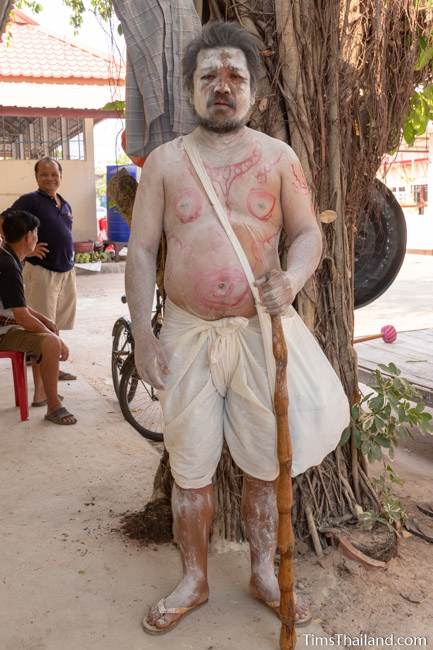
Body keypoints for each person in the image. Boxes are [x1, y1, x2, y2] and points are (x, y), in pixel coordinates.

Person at [126, 21, 348, 634]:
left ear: (256, 91)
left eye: (235, 77)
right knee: (189, 467)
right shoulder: (167, 164)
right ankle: (194, 579)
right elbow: (142, 251)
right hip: (186, 334)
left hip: (259, 335)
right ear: (191, 89)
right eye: (209, 77)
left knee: (264, 465)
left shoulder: (279, 159)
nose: (222, 87)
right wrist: (144, 335)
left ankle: (263, 571)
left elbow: (308, 234)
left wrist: (294, 280)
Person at [0, 210, 76, 425]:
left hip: (6, 325)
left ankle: (42, 394)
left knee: (47, 330)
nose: (37, 237)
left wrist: (45, 321)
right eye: (35, 233)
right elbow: (22, 317)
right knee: (50, 342)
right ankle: (53, 406)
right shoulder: (8, 265)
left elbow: (19, 307)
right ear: (28, 236)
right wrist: (57, 339)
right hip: (3, 332)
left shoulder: (8, 256)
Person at [9, 157, 77, 381]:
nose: (50, 178)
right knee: (42, 327)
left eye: (54, 174)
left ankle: (53, 369)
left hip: (65, 272)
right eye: (44, 174)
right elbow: (4, 221)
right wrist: (27, 250)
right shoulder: (30, 201)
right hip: (42, 272)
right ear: (37, 177)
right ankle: (42, 384)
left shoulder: (64, 203)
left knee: (55, 324)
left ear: (61, 176)